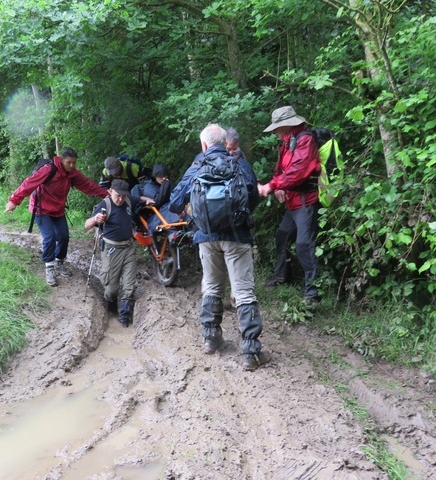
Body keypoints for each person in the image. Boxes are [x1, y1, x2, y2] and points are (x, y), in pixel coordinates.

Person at [169, 124, 267, 371]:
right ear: (225, 143)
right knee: (244, 292)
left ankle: (211, 339)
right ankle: (251, 353)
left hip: (206, 238)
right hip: (237, 236)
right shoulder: (239, 164)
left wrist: (196, 217)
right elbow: (253, 198)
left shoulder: (197, 167)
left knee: (212, 286)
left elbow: (174, 203)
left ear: (203, 145)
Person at [5, 147, 107, 286]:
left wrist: (107, 195)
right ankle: (49, 267)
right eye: (69, 162)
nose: (72, 166)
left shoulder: (72, 174)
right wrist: (13, 201)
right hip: (41, 209)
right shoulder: (48, 169)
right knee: (50, 236)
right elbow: (28, 184)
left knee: (64, 236)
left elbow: (88, 186)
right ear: (62, 159)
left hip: (58, 210)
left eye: (74, 163)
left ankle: (59, 262)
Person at [258, 106, 321, 302]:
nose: (275, 132)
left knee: (303, 245)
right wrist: (278, 188)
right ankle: (282, 276)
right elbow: (280, 170)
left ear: (286, 126)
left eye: (277, 128)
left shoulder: (305, 140)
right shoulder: (286, 142)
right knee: (282, 237)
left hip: (306, 202)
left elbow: (298, 171)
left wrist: (271, 185)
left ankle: (313, 292)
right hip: (292, 203)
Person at [85, 179, 146, 327]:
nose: (120, 199)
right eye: (118, 195)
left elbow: (140, 199)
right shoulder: (105, 205)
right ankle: (111, 309)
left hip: (128, 248)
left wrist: (149, 200)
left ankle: (125, 319)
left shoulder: (128, 200)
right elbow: (86, 225)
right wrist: (96, 219)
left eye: (123, 196)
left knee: (128, 285)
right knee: (111, 289)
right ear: (111, 191)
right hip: (111, 250)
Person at [131, 162, 179, 234]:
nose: (164, 178)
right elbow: (158, 201)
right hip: (155, 214)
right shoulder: (149, 187)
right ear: (155, 177)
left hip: (166, 210)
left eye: (165, 176)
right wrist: (165, 185)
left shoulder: (167, 183)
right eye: (161, 177)